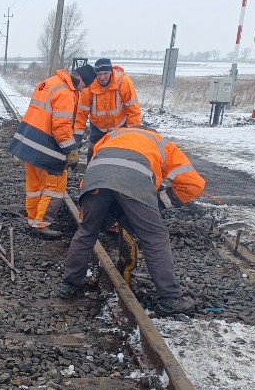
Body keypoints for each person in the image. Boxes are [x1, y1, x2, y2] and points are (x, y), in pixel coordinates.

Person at [59, 126, 206, 316]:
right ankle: (171, 297)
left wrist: (101, 210)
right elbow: (194, 184)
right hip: (134, 183)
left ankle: (69, 284)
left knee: (86, 232)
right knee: (154, 237)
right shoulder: (162, 143)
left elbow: (99, 170)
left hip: (95, 182)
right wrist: (157, 202)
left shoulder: (111, 136)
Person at [7, 64, 97, 237]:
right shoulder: (66, 92)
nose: (82, 90)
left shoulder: (49, 82)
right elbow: (61, 126)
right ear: (80, 80)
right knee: (54, 188)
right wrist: (71, 149)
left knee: (34, 186)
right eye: (84, 86)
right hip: (46, 147)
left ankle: (33, 220)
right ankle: (41, 225)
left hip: (29, 143)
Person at [74, 58, 141, 161]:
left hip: (119, 128)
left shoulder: (124, 82)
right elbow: (81, 114)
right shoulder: (89, 85)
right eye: (99, 74)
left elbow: (133, 111)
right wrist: (77, 137)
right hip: (97, 129)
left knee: (119, 159)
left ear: (111, 71)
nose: (102, 77)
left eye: (105, 73)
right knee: (92, 157)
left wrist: (132, 135)